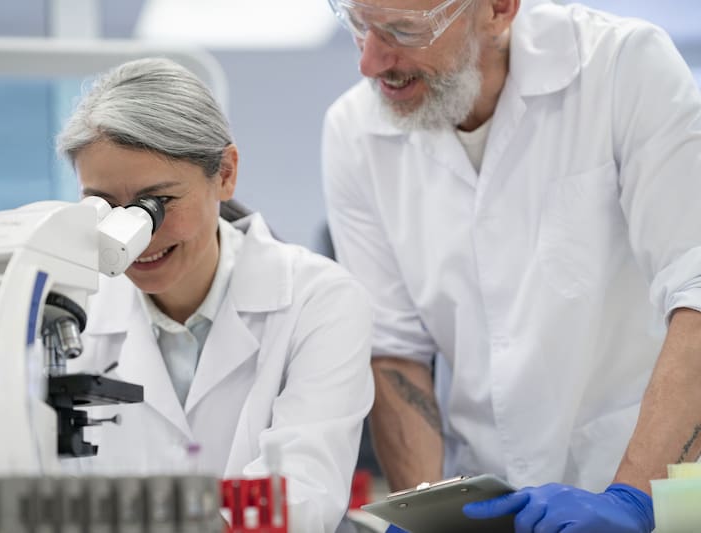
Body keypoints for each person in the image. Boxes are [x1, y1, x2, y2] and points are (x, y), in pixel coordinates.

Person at [321, 0, 701, 531]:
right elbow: (394, 352)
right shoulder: (353, 132)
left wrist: (632, 498)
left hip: (650, 493)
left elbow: (695, 291)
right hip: (487, 504)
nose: (370, 62)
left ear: (498, 10)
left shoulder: (622, 67)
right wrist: (424, 514)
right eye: (359, 27)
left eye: (403, 30)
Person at [56, 57, 374, 532]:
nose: (130, 237)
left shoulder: (319, 301)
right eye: (103, 206)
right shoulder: (66, 316)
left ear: (225, 173)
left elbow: (298, 495)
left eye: (155, 204)